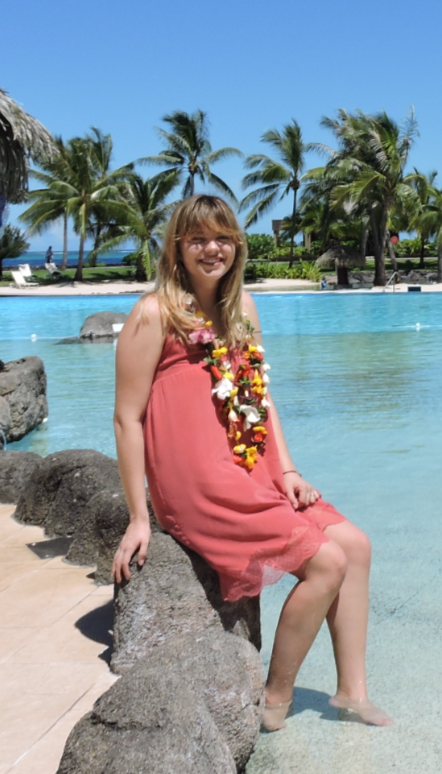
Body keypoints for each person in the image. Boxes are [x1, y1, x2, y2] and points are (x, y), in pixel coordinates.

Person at [111, 194, 391, 730]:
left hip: (250, 468)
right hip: (196, 482)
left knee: (356, 545)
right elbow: (128, 419)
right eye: (198, 239)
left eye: (222, 238)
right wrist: (139, 516)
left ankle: (351, 692)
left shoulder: (243, 309)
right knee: (327, 562)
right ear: (177, 247)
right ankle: (274, 699)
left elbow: (259, 396)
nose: (211, 248)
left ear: (236, 246)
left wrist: (286, 469)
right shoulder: (154, 314)